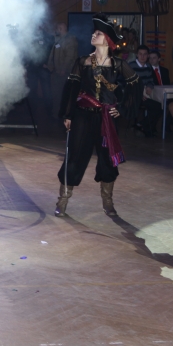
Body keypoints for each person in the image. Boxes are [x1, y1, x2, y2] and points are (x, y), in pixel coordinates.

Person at [56, 13, 141, 218]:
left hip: (106, 119)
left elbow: (136, 85)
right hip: (82, 117)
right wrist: (68, 115)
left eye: (98, 33)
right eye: (94, 33)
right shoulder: (83, 62)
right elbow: (72, 88)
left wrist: (122, 108)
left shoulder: (118, 64)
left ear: (107, 40)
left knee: (107, 160)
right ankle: (63, 200)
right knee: (74, 157)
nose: (93, 35)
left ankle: (108, 202)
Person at [44, 21, 79, 118]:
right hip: (56, 71)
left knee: (63, 94)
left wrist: (63, 69)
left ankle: (63, 114)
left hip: (65, 72)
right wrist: (49, 66)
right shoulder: (59, 39)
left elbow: (69, 57)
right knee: (56, 94)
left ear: (61, 29)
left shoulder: (70, 40)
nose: (56, 30)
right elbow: (54, 54)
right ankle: (57, 113)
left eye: (57, 28)